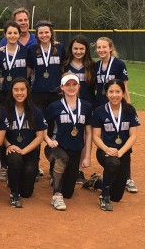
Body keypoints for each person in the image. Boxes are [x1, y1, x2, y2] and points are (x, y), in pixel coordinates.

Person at [43, 73, 93, 211]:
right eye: (67, 85)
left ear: (79, 86)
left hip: (75, 149)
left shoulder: (87, 107)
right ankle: (56, 196)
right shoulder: (54, 106)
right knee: (62, 159)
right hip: (56, 147)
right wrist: (48, 141)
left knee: (69, 193)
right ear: (62, 87)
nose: (71, 87)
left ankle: (58, 178)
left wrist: (87, 156)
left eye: (74, 84)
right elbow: (42, 127)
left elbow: (88, 133)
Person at [94, 37, 137, 193]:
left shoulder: (118, 64)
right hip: (101, 107)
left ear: (110, 48)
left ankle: (128, 177)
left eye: (104, 47)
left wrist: (128, 107)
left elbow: (124, 87)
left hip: (118, 106)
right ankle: (110, 173)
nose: (101, 50)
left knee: (122, 137)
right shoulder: (96, 65)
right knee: (106, 140)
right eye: (98, 47)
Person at [91, 79, 139, 211]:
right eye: (111, 91)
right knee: (113, 164)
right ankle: (104, 196)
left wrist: (121, 152)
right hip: (105, 152)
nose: (114, 95)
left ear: (123, 93)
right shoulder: (100, 111)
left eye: (118, 91)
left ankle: (98, 182)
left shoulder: (129, 110)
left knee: (117, 196)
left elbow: (133, 135)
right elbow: (95, 136)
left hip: (123, 153)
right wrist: (106, 148)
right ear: (106, 94)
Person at [0, 21, 29, 181]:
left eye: (15, 33)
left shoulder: (26, 51)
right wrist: (0, 80)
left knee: (20, 125)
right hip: (5, 95)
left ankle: (20, 160)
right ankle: (3, 165)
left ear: (19, 34)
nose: (13, 35)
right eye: (9, 33)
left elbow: (30, 69)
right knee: (4, 127)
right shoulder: (0, 53)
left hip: (21, 94)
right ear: (5, 35)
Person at [4, 77, 46, 208]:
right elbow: (1, 135)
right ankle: (14, 194)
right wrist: (9, 145)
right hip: (12, 150)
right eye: (16, 90)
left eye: (22, 89)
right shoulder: (5, 111)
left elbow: (40, 136)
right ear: (11, 92)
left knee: (27, 192)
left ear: (27, 91)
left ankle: (14, 178)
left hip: (30, 151)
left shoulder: (36, 112)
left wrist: (24, 150)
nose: (19, 93)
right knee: (15, 160)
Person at [62, 35, 95, 184]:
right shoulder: (65, 65)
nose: (78, 51)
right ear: (71, 49)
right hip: (68, 105)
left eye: (81, 48)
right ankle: (61, 167)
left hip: (86, 106)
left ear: (86, 50)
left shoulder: (91, 66)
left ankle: (79, 170)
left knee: (83, 136)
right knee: (67, 135)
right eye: (75, 48)